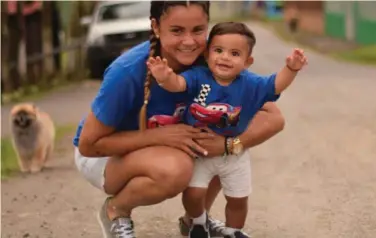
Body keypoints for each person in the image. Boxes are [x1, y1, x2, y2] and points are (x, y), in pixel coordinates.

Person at [73, 2, 285, 238]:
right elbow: (88, 145)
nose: (188, 41)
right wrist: (158, 136)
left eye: (197, 30)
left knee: (220, 139)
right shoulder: (128, 71)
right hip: (106, 157)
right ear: (155, 26)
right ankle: (116, 210)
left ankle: (196, 221)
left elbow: (272, 117)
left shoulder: (213, 61)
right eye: (176, 31)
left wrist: (228, 145)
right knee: (175, 169)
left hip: (166, 146)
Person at [147, 22, 307, 238]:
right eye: (218, 50)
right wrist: (164, 76)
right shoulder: (198, 76)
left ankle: (233, 231)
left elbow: (276, 85)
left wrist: (291, 69)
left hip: (234, 154)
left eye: (234, 53)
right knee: (193, 194)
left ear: (247, 61)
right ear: (207, 53)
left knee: (238, 199)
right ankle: (198, 222)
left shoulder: (250, 84)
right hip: (199, 150)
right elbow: (178, 84)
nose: (224, 57)